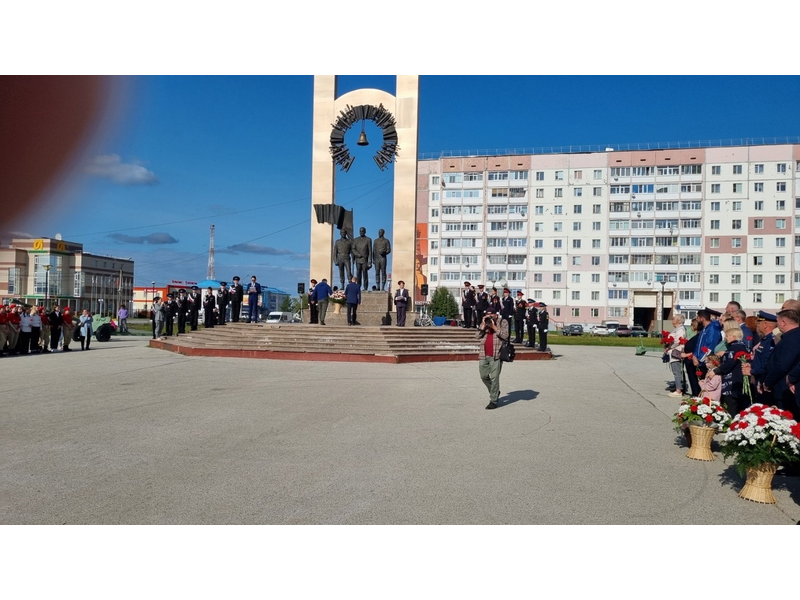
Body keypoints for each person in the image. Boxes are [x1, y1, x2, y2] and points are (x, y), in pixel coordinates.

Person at [763, 308, 800, 412]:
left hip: (785, 389)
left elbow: (782, 365)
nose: (777, 324)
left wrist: (768, 382)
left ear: (784, 322)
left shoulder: (791, 339)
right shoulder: (792, 336)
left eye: (778, 321)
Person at [477, 305, 510, 410]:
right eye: (487, 315)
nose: (489, 317)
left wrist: (493, 326)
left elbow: (505, 336)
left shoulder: (502, 322)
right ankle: (495, 391)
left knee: (495, 378)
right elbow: (477, 336)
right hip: (483, 354)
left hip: (496, 355)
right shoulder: (485, 323)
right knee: (483, 376)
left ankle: (493, 400)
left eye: (491, 315)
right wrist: (483, 325)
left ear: (496, 315)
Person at [712, 325, 748, 417]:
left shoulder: (735, 348)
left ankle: (730, 423)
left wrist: (716, 371)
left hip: (732, 381)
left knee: (730, 405)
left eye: (727, 336)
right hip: (734, 380)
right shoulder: (739, 346)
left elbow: (730, 363)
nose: (725, 338)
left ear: (733, 337)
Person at [746, 310, 778, 406]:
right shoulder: (764, 339)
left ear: (765, 325)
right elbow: (759, 359)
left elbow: (766, 362)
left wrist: (752, 371)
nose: (757, 326)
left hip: (764, 380)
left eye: (759, 323)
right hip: (759, 378)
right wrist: (751, 365)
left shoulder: (771, 340)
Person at [665, 314, 687, 397]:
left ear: (678, 320)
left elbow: (678, 341)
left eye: (673, 318)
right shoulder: (677, 329)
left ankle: (679, 390)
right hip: (674, 351)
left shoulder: (680, 329)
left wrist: (669, 347)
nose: (672, 319)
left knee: (677, 371)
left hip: (676, 352)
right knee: (676, 370)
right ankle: (678, 386)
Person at [681, 318, 703, 397]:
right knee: (693, 380)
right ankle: (695, 394)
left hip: (693, 361)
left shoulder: (699, 337)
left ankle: (697, 395)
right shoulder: (697, 336)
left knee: (695, 381)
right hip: (690, 361)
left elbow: (697, 350)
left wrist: (686, 355)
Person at [351, 227, 373, 291]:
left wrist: (370, 261)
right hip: (358, 259)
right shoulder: (355, 240)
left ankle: (365, 287)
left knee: (365, 273)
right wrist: (358, 254)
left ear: (365, 232)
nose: (361, 232)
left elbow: (370, 251)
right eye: (360, 231)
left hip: (365, 259)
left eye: (362, 231)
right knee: (358, 274)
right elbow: (353, 249)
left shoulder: (368, 239)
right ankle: (358, 286)